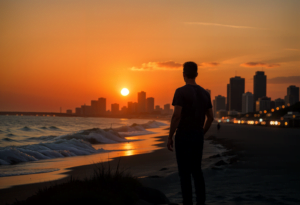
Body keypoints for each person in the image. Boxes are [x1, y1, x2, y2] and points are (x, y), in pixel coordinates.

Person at [167, 62, 214, 205]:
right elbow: (211, 117)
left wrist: (170, 137)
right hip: (197, 136)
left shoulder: (180, 91)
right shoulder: (205, 93)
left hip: (184, 136)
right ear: (197, 74)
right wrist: (202, 132)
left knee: (184, 173)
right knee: (197, 171)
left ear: (184, 74)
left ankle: (187, 203)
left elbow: (176, 116)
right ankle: (201, 202)